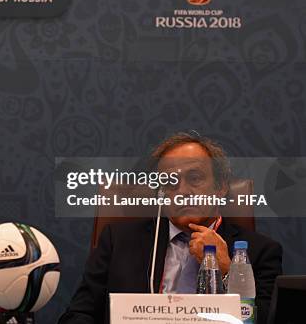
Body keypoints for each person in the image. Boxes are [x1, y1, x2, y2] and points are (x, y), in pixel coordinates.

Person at [58, 132, 282, 324]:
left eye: (194, 178)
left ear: (221, 187)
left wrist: (227, 271)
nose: (182, 191)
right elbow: (79, 315)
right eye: (170, 182)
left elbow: (270, 320)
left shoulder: (260, 252)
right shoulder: (118, 242)